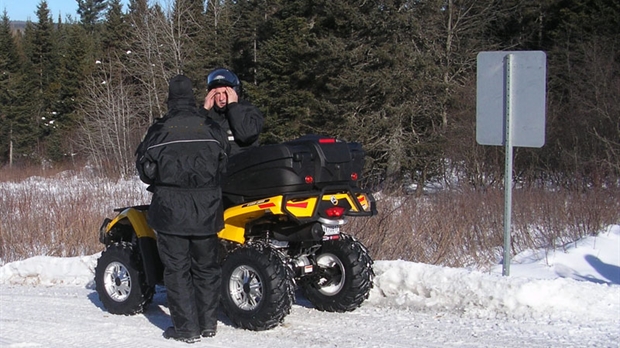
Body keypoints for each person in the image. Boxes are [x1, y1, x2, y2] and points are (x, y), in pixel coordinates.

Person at [135, 75, 230, 343]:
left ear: (170, 99)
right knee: (206, 268)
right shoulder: (211, 128)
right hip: (207, 208)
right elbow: (224, 165)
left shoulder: (160, 130)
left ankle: (187, 329)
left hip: (171, 211)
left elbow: (145, 170)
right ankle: (208, 324)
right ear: (193, 97)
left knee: (177, 270)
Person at [201, 67, 264, 156]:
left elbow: (246, 135)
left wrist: (233, 107)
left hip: (244, 164)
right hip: (216, 165)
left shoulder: (248, 111)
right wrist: (204, 111)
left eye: (225, 93)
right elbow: (192, 139)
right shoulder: (207, 114)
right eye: (217, 94)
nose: (221, 98)